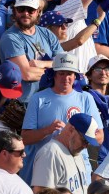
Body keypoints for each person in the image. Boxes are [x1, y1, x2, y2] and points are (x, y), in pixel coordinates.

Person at [21, 52, 103, 184]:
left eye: (69, 74)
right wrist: (48, 130)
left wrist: (78, 135)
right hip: (47, 166)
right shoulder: (38, 98)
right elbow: (25, 138)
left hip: (78, 167)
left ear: (75, 76)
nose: (66, 78)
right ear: (54, 74)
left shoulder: (86, 98)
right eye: (61, 73)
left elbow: (99, 137)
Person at [0, 0, 62, 103]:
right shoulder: (10, 37)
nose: (26, 13)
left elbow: (64, 62)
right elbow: (26, 74)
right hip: (24, 104)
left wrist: (43, 64)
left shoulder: (46, 33)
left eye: (31, 10)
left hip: (50, 99)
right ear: (14, 11)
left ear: (38, 12)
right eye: (21, 9)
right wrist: (57, 72)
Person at [31, 113, 100, 194]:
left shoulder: (77, 153)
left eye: (88, 143)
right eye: (84, 140)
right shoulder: (51, 153)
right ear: (71, 130)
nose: (85, 146)